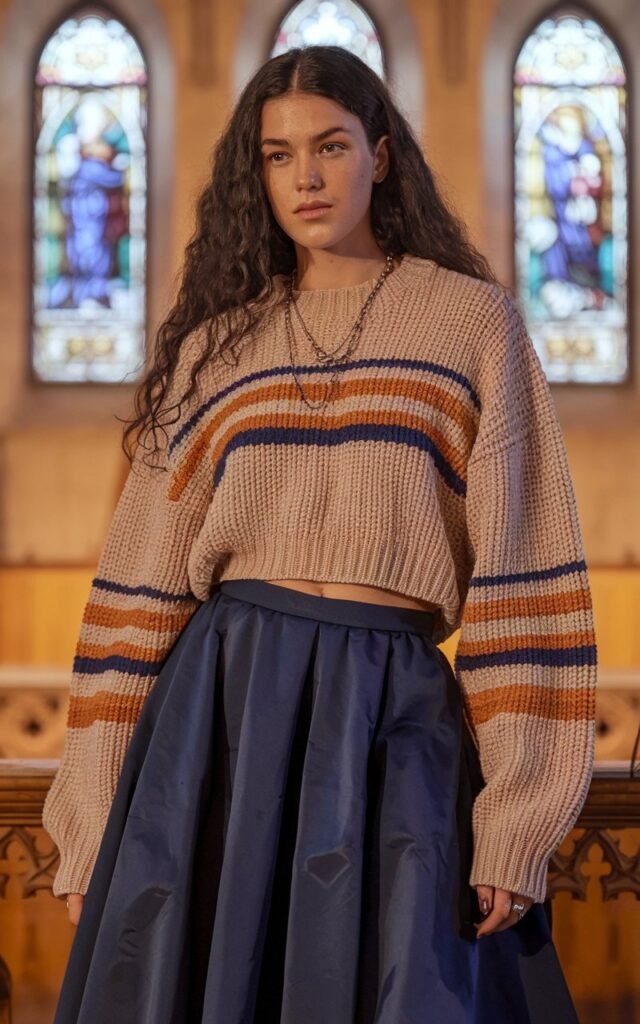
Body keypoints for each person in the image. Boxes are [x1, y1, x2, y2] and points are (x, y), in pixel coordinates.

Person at [42, 44, 596, 1023]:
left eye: (330, 145)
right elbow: (136, 598)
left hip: (396, 715)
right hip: (224, 718)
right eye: (277, 153)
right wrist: (90, 822)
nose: (305, 175)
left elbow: (522, 576)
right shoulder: (219, 347)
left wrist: (515, 821)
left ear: (380, 155)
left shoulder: (473, 325)